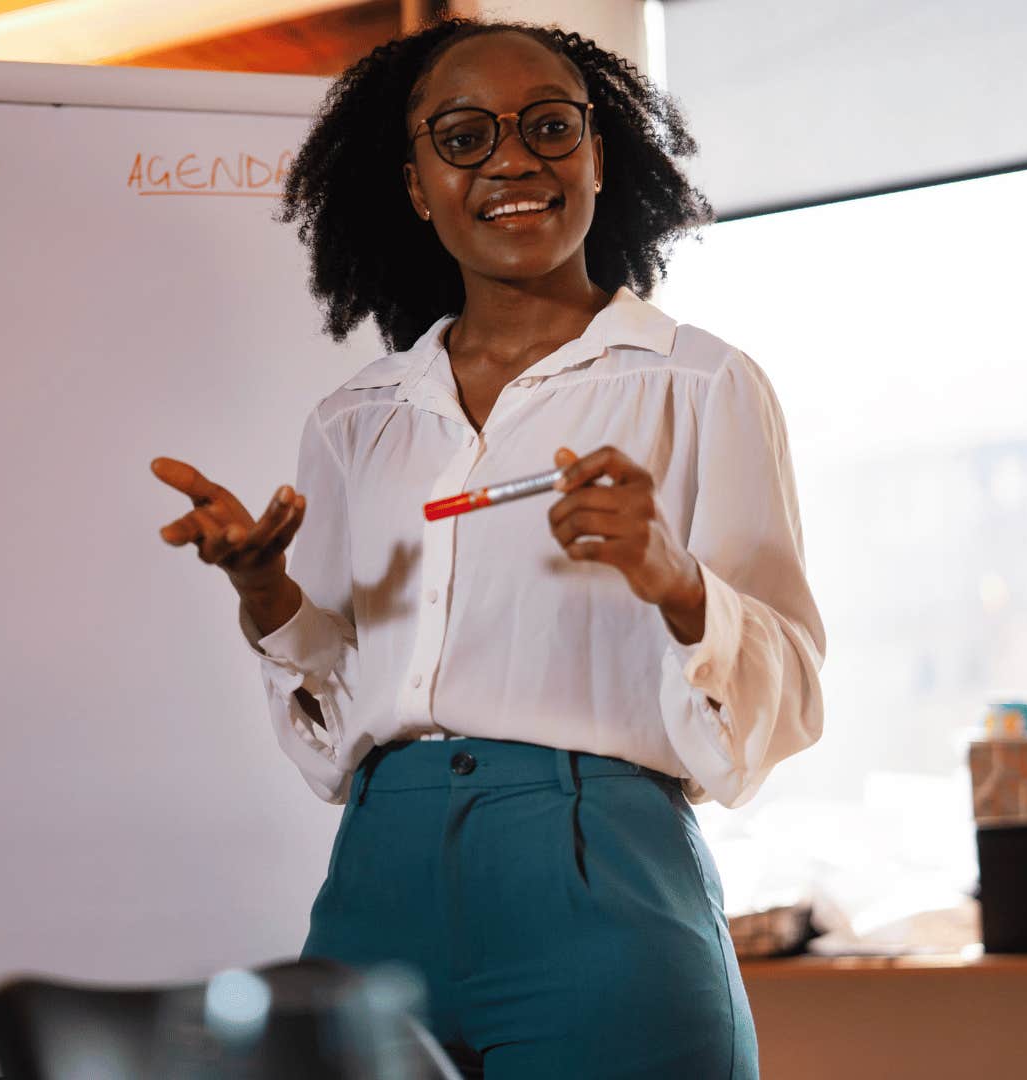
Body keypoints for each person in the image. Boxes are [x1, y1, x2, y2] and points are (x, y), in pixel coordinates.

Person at [152, 17, 823, 1078]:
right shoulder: (355, 419)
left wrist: (675, 579)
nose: (514, 158)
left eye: (550, 127)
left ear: (598, 155)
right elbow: (332, 739)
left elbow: (782, 697)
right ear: (417, 184)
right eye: (464, 136)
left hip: (597, 875)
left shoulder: (698, 385)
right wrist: (267, 590)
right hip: (378, 875)